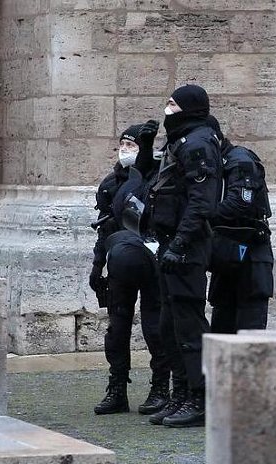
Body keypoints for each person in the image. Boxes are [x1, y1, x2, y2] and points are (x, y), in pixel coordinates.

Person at [144, 84, 223, 428]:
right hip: (169, 242)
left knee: (190, 325)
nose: (167, 110)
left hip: (186, 245)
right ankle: (181, 393)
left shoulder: (198, 143)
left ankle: (200, 396)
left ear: (190, 108)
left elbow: (201, 203)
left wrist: (179, 244)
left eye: (173, 104)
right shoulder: (180, 142)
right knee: (170, 323)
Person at [89, 121, 171, 416]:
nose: (125, 151)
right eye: (122, 145)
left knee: (155, 327)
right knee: (117, 327)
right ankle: (117, 387)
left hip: (152, 262)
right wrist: (98, 266)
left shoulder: (159, 179)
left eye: (132, 146)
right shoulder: (111, 184)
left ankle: (161, 385)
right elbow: (104, 229)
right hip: (120, 262)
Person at [206, 116, 274, 333]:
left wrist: (201, 216)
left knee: (249, 334)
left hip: (250, 256)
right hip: (227, 255)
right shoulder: (216, 162)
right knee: (221, 330)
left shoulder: (239, 160)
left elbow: (240, 204)